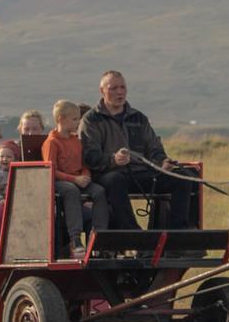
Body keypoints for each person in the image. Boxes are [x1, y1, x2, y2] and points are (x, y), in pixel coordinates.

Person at [80, 70, 193, 230]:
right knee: (115, 180)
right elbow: (89, 156)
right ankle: (133, 234)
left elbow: (154, 148)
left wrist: (162, 162)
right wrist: (113, 160)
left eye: (122, 87)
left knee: (183, 178)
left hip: (140, 173)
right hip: (107, 175)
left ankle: (176, 233)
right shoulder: (91, 120)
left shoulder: (139, 118)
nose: (119, 92)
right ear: (102, 90)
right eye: (113, 88)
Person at [43, 99, 107, 257]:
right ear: (61, 120)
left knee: (99, 191)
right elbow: (51, 170)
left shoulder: (76, 141)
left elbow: (84, 164)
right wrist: (74, 180)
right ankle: (75, 238)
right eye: (74, 119)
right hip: (59, 182)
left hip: (78, 179)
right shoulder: (52, 142)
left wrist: (85, 175)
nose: (78, 122)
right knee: (71, 191)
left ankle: (99, 237)